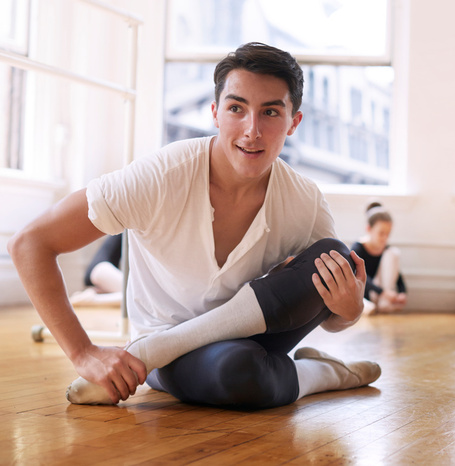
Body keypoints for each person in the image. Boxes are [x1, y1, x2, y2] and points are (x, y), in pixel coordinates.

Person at [8, 42, 380, 408]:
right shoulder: (160, 175)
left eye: (270, 112)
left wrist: (349, 312)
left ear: (293, 122)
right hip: (173, 357)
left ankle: (149, 353)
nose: (252, 130)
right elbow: (30, 244)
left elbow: (330, 315)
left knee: (335, 256)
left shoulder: (305, 200)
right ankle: (326, 374)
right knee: (240, 370)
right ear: (215, 113)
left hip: (221, 342)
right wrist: (83, 352)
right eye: (237, 108)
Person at [351, 202, 407, 314]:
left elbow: (398, 275)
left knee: (393, 253)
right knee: (365, 305)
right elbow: (359, 276)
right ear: (369, 229)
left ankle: (383, 303)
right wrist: (382, 292)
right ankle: (369, 305)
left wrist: (402, 292)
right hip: (364, 292)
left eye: (388, 234)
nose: (385, 238)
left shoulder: (387, 250)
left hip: (381, 292)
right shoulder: (358, 248)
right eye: (381, 233)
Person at [69, 233, 123, 307]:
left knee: (137, 294)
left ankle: (91, 298)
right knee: (138, 294)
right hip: (102, 269)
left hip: (101, 269)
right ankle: (91, 299)